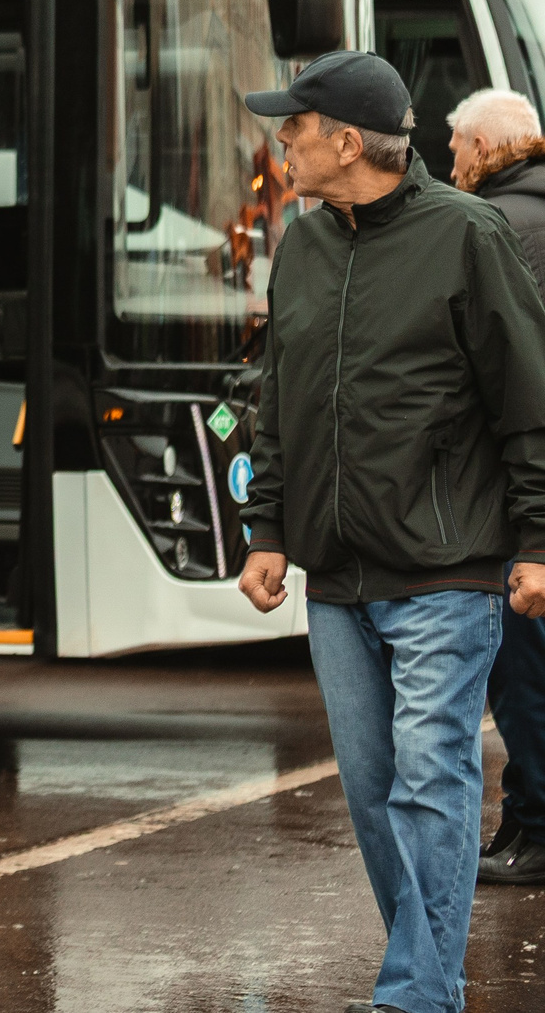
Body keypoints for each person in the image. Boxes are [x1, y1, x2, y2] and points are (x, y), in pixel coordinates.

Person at [236, 51, 545, 1013]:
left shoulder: (470, 235)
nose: (280, 141)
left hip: (447, 576)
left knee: (430, 782)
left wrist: (536, 540)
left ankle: (416, 994)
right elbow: (275, 401)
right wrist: (267, 528)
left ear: (343, 140)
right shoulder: (301, 245)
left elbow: (529, 403)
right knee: (374, 796)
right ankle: (427, 977)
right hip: (335, 581)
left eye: (293, 127)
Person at [447, 87, 545, 886]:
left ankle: (537, 826)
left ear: (482, 151)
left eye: (454, 151)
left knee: (522, 663)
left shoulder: (497, 230)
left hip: (522, 492)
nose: (449, 166)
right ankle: (525, 813)